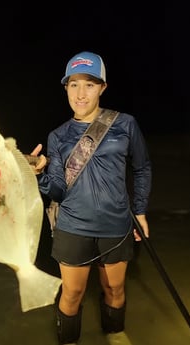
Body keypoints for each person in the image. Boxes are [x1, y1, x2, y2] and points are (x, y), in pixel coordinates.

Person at [30, 51, 152, 345]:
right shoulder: (57, 136)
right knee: (72, 293)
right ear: (66, 88)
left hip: (116, 225)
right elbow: (58, 190)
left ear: (103, 87)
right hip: (73, 228)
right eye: (74, 85)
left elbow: (142, 167)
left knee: (116, 290)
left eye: (89, 84)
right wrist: (38, 175)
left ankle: (115, 335)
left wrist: (141, 212)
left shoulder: (125, 124)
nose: (81, 93)